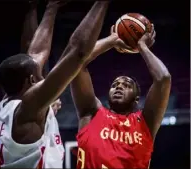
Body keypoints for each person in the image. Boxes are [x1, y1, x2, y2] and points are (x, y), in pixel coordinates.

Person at [0, 0, 110, 168]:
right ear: (31, 81)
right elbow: (78, 52)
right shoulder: (28, 109)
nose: (42, 77)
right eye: (39, 75)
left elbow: (34, 53)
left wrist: (51, 8)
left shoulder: (5, 106)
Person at [71, 24, 171, 169]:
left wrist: (142, 46)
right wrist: (111, 40)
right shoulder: (91, 113)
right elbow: (77, 64)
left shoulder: (145, 123)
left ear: (136, 98)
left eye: (127, 85)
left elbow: (163, 79)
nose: (119, 86)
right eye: (115, 85)